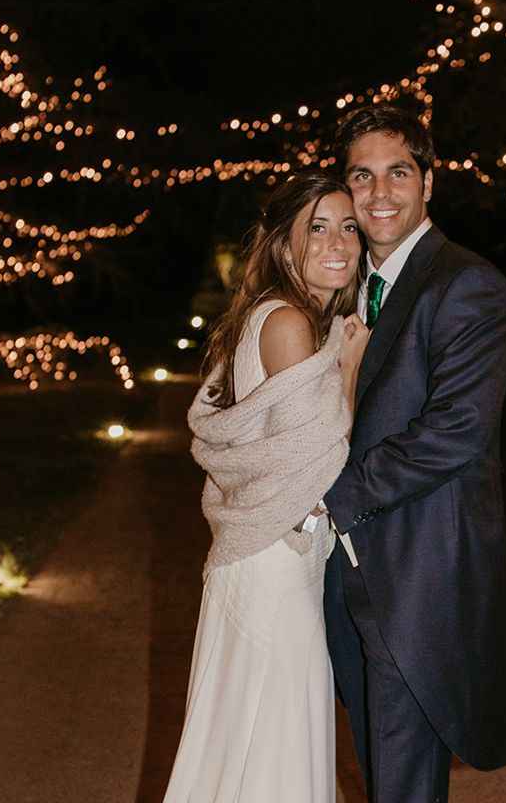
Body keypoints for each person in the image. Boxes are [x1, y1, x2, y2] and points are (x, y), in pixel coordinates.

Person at [322, 105, 506, 803]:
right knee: (379, 770)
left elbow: (456, 430)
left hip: (416, 577)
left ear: (429, 182)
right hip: (339, 572)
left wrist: (328, 499)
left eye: (397, 173)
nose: (379, 193)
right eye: (362, 176)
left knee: (403, 782)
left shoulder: (467, 285)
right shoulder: (344, 291)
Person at [163, 170, 369, 803]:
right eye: (318, 228)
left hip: (265, 554)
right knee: (277, 737)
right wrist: (351, 368)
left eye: (349, 228)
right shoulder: (287, 323)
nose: (339, 243)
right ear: (285, 245)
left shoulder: (272, 315)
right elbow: (322, 453)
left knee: (250, 735)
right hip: (277, 562)